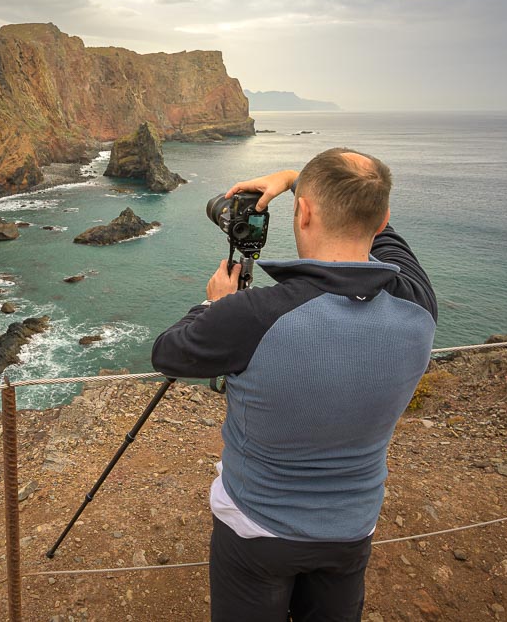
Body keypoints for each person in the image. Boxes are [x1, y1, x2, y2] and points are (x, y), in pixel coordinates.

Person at [151, 148, 437, 622]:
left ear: (301, 212)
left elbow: (169, 353)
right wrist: (294, 179)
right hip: (351, 529)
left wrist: (214, 306)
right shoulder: (418, 305)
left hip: (256, 529)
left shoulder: (251, 317)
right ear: (382, 216)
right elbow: (381, 232)